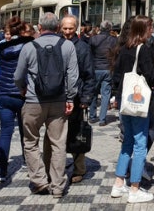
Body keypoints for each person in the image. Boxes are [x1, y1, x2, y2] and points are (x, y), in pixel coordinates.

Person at [14, 12, 78, 198]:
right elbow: (73, 76)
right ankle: (58, 187)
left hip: (34, 101)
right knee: (58, 144)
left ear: (39, 28)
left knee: (31, 142)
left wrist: (22, 89)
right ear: (58, 28)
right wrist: (70, 98)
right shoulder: (67, 46)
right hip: (59, 101)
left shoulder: (29, 47)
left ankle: (40, 181)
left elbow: (18, 75)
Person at [110, 16, 154, 204]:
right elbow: (150, 76)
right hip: (139, 102)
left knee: (127, 142)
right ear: (144, 29)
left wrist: (116, 96)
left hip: (125, 101)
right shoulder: (143, 49)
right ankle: (134, 188)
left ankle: (118, 184)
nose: (152, 31)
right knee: (140, 143)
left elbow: (117, 75)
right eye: (150, 27)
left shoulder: (124, 48)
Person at [0, 19, 36, 182]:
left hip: (3, 93)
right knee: (26, 132)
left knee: (5, 132)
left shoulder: (1, 47)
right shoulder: (28, 46)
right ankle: (28, 163)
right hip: (22, 93)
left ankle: (2, 171)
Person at [53, 15, 94, 184]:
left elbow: (89, 75)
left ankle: (79, 168)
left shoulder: (83, 48)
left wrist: (86, 98)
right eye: (65, 28)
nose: (68, 32)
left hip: (76, 97)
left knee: (77, 133)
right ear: (60, 28)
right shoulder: (56, 44)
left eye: (71, 28)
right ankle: (58, 167)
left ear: (76, 28)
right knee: (57, 134)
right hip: (57, 97)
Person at [88, 20, 117, 125]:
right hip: (108, 69)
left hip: (95, 68)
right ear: (110, 29)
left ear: (100, 28)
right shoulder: (114, 40)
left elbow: (89, 54)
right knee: (106, 94)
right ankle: (102, 119)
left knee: (93, 93)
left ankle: (92, 116)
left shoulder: (93, 39)